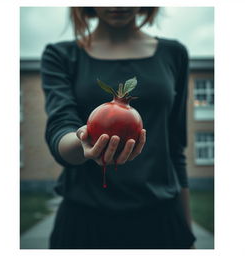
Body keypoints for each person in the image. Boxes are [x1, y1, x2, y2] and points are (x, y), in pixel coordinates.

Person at [41, 7, 196, 249]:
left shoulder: (174, 53)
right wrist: (82, 143)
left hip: (161, 221)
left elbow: (175, 148)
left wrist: (188, 233)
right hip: (84, 226)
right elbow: (60, 128)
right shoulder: (61, 55)